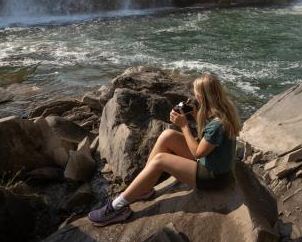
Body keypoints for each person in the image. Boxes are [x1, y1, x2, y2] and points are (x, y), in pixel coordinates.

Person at [88, 73, 241, 227]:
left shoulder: (217, 125)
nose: (194, 97)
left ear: (201, 97)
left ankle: (116, 207)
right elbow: (206, 142)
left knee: (160, 160)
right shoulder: (223, 111)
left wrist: (183, 126)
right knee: (167, 135)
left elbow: (197, 153)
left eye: (196, 94)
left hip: (213, 177)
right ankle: (143, 188)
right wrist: (195, 115)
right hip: (211, 162)